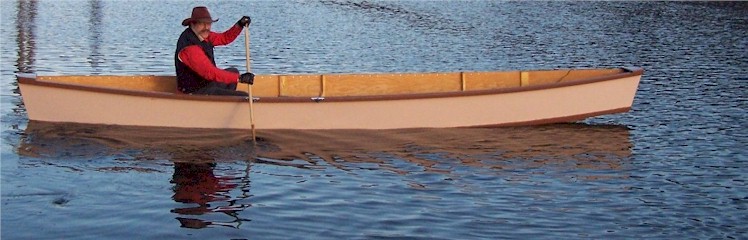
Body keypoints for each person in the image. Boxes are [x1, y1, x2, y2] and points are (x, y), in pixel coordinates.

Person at [175, 6, 255, 96]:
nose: (206, 27)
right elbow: (210, 72)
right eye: (202, 24)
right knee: (243, 96)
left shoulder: (203, 35)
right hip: (193, 92)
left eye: (208, 24)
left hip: (205, 84)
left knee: (233, 71)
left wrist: (239, 25)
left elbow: (224, 38)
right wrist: (240, 78)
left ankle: (223, 103)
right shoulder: (190, 48)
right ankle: (223, 104)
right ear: (192, 24)